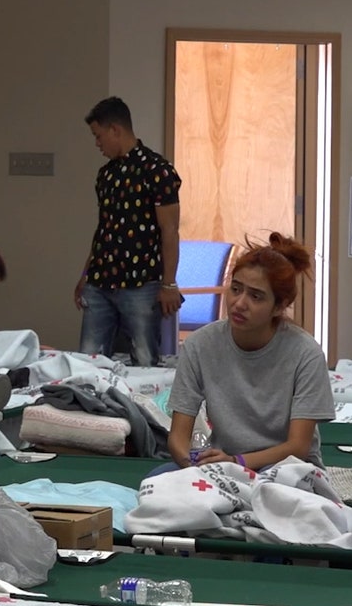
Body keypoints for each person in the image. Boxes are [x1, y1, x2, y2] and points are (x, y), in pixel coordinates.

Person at [166, 232, 334, 471]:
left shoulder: (305, 354)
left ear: (279, 307)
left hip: (288, 468)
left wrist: (238, 463)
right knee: (157, 484)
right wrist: (193, 466)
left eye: (256, 296)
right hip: (223, 464)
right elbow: (178, 438)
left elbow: (298, 447)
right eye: (236, 289)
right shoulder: (200, 345)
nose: (240, 303)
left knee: (270, 496)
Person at [75, 96, 182, 367]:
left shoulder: (158, 171)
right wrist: (85, 274)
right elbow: (104, 228)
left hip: (141, 282)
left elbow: (169, 230)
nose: (97, 144)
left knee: (145, 358)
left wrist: (169, 284)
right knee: (88, 359)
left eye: (99, 136)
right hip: (100, 281)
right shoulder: (106, 175)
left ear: (115, 130)